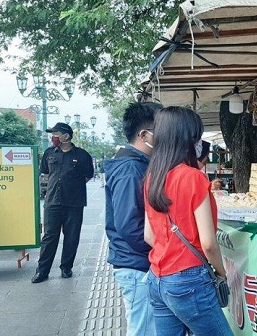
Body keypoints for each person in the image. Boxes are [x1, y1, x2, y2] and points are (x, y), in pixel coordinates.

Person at [143, 106, 233, 336]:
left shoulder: (152, 178)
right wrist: (222, 273)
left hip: (157, 278)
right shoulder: (193, 177)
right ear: (188, 137)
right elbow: (209, 244)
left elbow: (149, 236)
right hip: (189, 281)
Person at [104, 102, 162, 336]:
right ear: (144, 135)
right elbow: (129, 225)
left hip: (136, 263)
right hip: (137, 265)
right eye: (163, 131)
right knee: (144, 330)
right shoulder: (130, 169)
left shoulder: (137, 164)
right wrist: (159, 251)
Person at [32, 122, 94, 283]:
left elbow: (88, 175)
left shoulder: (82, 155)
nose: (54, 137)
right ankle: (42, 271)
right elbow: (45, 173)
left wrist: (72, 186)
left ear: (66, 136)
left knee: (71, 237)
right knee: (49, 237)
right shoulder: (49, 153)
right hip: (52, 202)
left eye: (56, 133)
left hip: (74, 203)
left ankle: (66, 267)